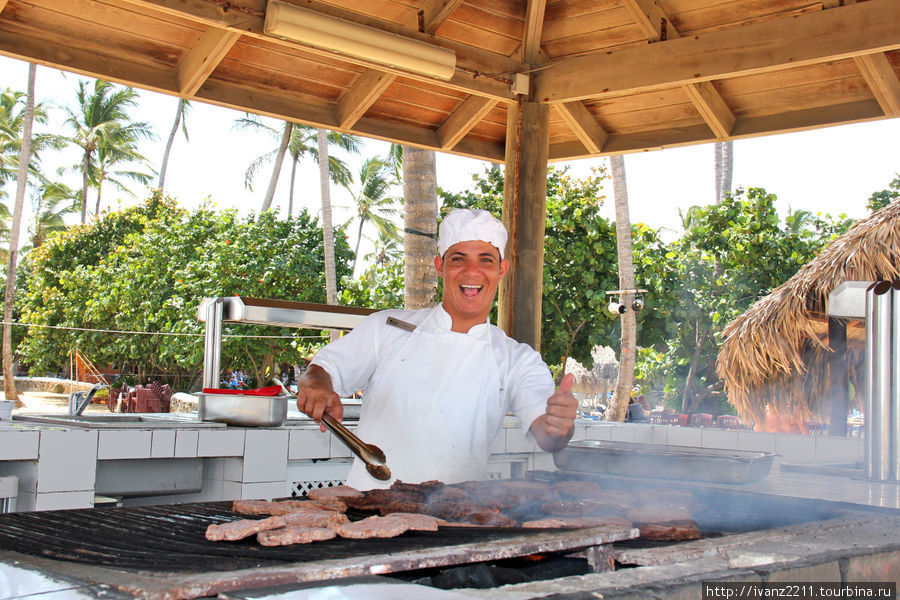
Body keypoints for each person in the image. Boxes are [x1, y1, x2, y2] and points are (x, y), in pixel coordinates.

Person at [297, 208, 578, 489]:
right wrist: (317, 385)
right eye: (458, 259)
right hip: (366, 508)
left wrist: (559, 426)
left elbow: (547, 433)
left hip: (455, 517)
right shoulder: (387, 327)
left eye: (485, 260)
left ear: (501, 269)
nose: (472, 271)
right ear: (440, 266)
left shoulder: (517, 359)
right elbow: (322, 370)